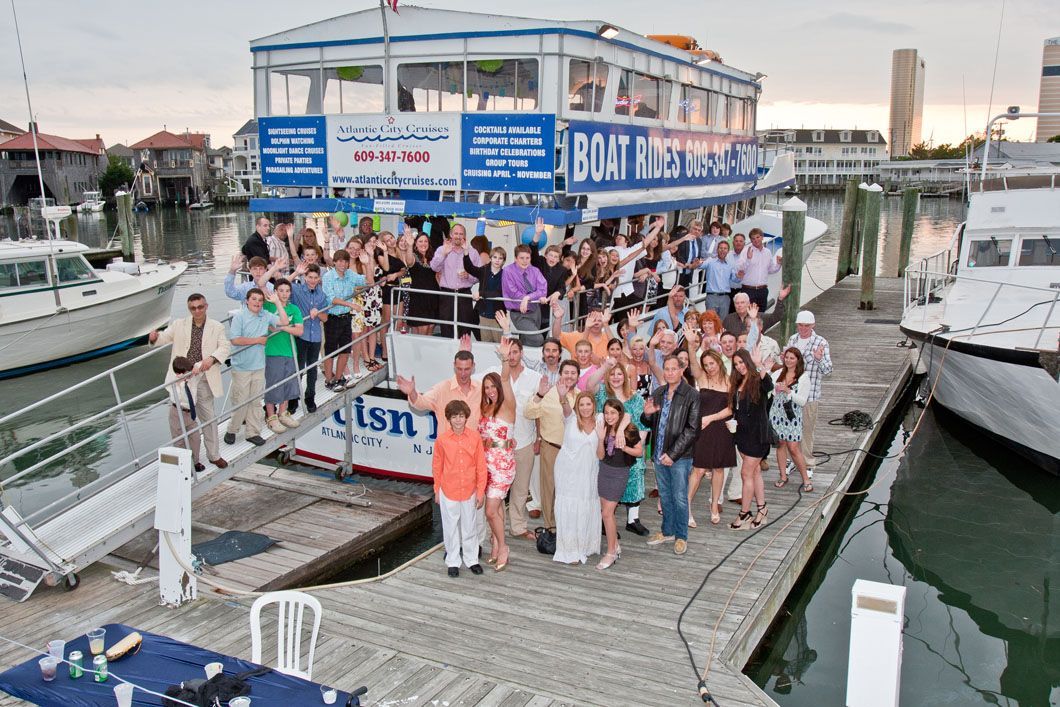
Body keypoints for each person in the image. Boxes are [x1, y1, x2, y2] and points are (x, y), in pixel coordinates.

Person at [149, 293, 231, 470]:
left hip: (202, 377)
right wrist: (154, 338)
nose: (197, 310)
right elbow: (164, 338)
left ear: (206, 306)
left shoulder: (216, 327)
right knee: (180, 422)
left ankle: (214, 455)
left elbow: (225, 347)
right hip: (181, 379)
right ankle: (188, 460)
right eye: (193, 308)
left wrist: (212, 358)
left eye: (200, 307)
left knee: (208, 418)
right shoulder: (179, 324)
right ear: (189, 309)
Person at [584, 358, 651, 536]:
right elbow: (589, 384)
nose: (616, 377)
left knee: (636, 475)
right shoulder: (602, 394)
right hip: (607, 448)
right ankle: (607, 519)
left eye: (619, 374)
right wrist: (605, 365)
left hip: (631, 445)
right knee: (607, 482)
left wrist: (640, 446)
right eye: (612, 374)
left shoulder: (635, 398)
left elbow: (643, 423)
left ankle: (632, 519)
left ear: (625, 377)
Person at [641, 355, 700, 555]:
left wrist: (673, 454)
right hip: (658, 454)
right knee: (665, 496)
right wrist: (647, 414)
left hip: (680, 457)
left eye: (674, 369)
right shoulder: (658, 392)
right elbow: (650, 424)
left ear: (681, 370)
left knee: (680, 497)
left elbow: (692, 429)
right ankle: (667, 531)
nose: (669, 373)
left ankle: (681, 536)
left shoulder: (691, 395)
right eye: (666, 369)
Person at [486, 338, 544, 540]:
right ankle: (497, 527)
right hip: (499, 446)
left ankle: (518, 527)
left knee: (521, 488)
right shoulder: (496, 374)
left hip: (526, 440)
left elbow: (538, 411)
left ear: (521, 353)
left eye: (515, 352)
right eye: (508, 353)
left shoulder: (535, 377)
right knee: (498, 490)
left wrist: (539, 438)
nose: (511, 357)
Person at [224, 288, 289, 447]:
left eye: (260, 300)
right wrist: (257, 340)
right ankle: (232, 429)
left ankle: (252, 432)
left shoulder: (265, 315)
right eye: (254, 299)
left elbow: (285, 322)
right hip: (242, 367)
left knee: (255, 401)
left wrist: (277, 303)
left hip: (259, 365)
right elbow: (235, 340)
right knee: (241, 401)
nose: (257, 303)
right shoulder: (239, 317)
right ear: (247, 301)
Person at [684, 333, 736, 526]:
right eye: (706, 364)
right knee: (698, 469)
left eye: (711, 364)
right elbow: (693, 364)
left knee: (719, 469)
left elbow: (731, 408)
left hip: (720, 428)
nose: (709, 367)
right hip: (703, 430)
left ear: (719, 361)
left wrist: (710, 418)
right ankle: (686, 506)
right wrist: (691, 344)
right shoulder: (702, 378)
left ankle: (714, 504)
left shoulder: (730, 381)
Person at [431, 400, 487, 577]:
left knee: (470, 526)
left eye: (461, 416)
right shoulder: (442, 440)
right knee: (450, 527)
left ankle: (472, 560)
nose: (458, 420)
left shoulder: (475, 437)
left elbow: (481, 465)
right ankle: (453, 561)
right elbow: (437, 466)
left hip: (469, 489)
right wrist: (437, 490)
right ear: (449, 419)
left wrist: (480, 491)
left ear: (466, 417)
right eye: (454, 416)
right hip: (449, 490)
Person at [525, 359, 581, 534]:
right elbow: (529, 412)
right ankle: (550, 527)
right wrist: (539, 395)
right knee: (549, 488)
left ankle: (568, 524)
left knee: (571, 489)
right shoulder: (547, 393)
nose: (569, 376)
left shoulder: (582, 397)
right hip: (551, 447)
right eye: (566, 372)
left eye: (573, 373)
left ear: (578, 376)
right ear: (560, 374)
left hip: (573, 451)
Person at [478, 339, 518, 571]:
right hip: (486, 464)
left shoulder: (507, 405)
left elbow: (504, 378)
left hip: (502, 464)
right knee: (498, 507)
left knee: (490, 509)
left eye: (493, 387)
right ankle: (494, 542)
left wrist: (504, 358)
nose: (491, 390)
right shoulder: (484, 408)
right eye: (487, 388)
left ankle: (503, 546)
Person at [552, 389, 601, 565]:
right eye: (581, 404)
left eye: (589, 404)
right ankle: (570, 550)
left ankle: (586, 545)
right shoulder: (571, 419)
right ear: (577, 406)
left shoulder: (601, 421)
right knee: (570, 506)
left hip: (589, 472)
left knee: (587, 505)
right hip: (568, 472)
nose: (585, 408)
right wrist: (562, 396)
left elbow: (623, 416)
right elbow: (565, 407)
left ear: (594, 405)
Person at [729, 348, 774, 530]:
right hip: (742, 435)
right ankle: (762, 509)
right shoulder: (738, 382)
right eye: (736, 364)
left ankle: (745, 513)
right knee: (755, 473)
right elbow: (737, 409)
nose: (739, 367)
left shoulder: (756, 379)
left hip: (758, 436)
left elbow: (768, 386)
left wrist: (759, 366)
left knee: (745, 473)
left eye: (741, 362)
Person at [595, 398, 643, 570]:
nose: (609, 416)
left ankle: (611, 552)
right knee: (606, 512)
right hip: (604, 470)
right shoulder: (604, 429)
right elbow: (600, 456)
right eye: (606, 412)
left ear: (619, 413)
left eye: (613, 413)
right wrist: (601, 440)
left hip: (620, 473)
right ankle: (614, 544)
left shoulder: (629, 429)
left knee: (607, 513)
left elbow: (639, 451)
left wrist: (624, 448)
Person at [396, 344, 483, 434]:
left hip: (474, 446)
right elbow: (421, 403)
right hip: (448, 447)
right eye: (459, 369)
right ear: (454, 366)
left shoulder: (481, 388)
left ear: (473, 366)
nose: (463, 374)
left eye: (467, 369)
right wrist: (412, 392)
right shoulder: (441, 388)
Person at [786, 310, 832, 477]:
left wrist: (819, 359)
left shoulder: (821, 342)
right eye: (800, 325)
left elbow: (828, 370)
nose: (803, 328)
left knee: (806, 430)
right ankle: (793, 460)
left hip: (810, 396)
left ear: (813, 325)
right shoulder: (792, 339)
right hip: (791, 393)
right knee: (791, 429)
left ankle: (808, 463)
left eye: (806, 325)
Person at [262, 278, 305, 434]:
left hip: (290, 350)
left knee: (288, 382)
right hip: (273, 351)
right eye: (281, 291)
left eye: (287, 291)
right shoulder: (267, 306)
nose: (284, 294)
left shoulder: (294, 309)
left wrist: (284, 328)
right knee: (274, 383)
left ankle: (283, 412)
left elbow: (299, 331)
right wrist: (287, 327)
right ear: (275, 292)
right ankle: (271, 416)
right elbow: (271, 327)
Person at [771, 347, 813, 492]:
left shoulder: (803, 377)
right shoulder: (777, 373)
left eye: (792, 358)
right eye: (786, 357)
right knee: (780, 443)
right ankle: (783, 476)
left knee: (794, 447)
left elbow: (802, 401)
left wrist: (789, 391)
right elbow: (768, 388)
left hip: (792, 415)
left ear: (798, 360)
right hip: (777, 413)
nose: (788, 360)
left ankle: (806, 479)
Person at [321, 249, 364, 390]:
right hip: (333, 318)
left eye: (345, 261)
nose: (343, 264)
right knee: (331, 350)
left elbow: (367, 281)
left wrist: (367, 264)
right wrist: (350, 304)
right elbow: (332, 299)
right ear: (334, 262)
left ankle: (339, 378)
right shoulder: (328, 277)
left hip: (346, 318)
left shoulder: (350, 274)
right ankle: (329, 380)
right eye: (339, 261)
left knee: (345, 350)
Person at [289, 262, 328, 414]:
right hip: (301, 335)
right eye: (310, 277)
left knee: (312, 368)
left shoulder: (322, 295)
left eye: (315, 277)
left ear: (319, 278)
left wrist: (318, 312)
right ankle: (293, 399)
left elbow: (325, 318)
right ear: (305, 277)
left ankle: (310, 396)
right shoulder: (297, 291)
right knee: (298, 369)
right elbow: (282, 284)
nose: (312, 280)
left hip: (316, 336)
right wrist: (295, 273)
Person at [431, 223, 480, 338]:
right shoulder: (442, 249)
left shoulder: (473, 252)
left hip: (464, 295)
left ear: (465, 237)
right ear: (451, 235)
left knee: (464, 329)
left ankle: (464, 354)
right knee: (446, 328)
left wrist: (469, 276)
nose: (458, 236)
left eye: (461, 234)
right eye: (456, 233)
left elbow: (479, 275)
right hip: (447, 295)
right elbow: (434, 267)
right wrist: (444, 254)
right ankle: (448, 355)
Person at [501, 244, 549, 346]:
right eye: (521, 258)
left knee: (527, 340)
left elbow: (543, 290)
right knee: (538, 339)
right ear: (515, 258)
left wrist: (528, 298)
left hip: (535, 311)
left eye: (527, 258)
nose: (525, 261)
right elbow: (512, 292)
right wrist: (529, 297)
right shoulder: (508, 271)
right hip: (519, 313)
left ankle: (522, 358)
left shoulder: (535, 271)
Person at [167, 356, 205, 470]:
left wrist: (195, 368)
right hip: (177, 413)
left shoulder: (192, 378)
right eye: (185, 374)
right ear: (179, 374)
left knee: (196, 438)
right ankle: (184, 466)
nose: (188, 376)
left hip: (190, 413)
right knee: (179, 441)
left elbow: (202, 367)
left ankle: (195, 461)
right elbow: (179, 398)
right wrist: (181, 384)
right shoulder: (173, 384)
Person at [375, 231, 407, 361]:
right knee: (386, 322)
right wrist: (386, 251)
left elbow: (404, 269)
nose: (391, 241)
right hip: (388, 290)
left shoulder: (399, 251)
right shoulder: (382, 255)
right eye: (387, 240)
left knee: (398, 321)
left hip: (398, 288)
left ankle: (395, 348)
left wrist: (396, 275)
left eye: (392, 238)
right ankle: (384, 350)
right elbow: (387, 268)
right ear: (383, 243)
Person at [735, 228, 782, 311]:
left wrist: (778, 264)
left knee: (761, 318)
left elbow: (771, 269)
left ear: (762, 237)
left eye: (757, 237)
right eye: (753, 238)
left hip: (762, 290)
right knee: (748, 318)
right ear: (751, 240)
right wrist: (748, 259)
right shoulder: (746, 250)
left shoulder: (767, 252)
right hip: (748, 290)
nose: (756, 240)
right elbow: (740, 269)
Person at [469, 246, 506, 343]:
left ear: (503, 261)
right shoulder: (484, 270)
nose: (497, 260)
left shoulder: (506, 274)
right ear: (490, 258)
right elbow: (470, 268)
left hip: (497, 316)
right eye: (495, 257)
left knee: (499, 344)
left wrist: (481, 293)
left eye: (500, 258)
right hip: (484, 314)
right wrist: (465, 253)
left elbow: (499, 293)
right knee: (485, 343)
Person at [405, 233, 439, 335]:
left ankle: (427, 352)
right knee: (422, 329)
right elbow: (409, 261)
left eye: (425, 241)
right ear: (416, 244)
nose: (423, 243)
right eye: (420, 241)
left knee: (430, 327)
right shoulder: (414, 256)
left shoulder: (433, 258)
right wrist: (409, 245)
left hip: (432, 298)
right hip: (419, 298)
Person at [699, 240, 740, 318]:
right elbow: (700, 265)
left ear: (728, 251)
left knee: (723, 324)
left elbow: (735, 279)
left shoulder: (730, 265)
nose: (723, 250)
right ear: (717, 249)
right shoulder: (710, 261)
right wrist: (697, 263)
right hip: (711, 297)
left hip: (725, 298)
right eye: (721, 248)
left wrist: (739, 276)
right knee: (710, 321)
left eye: (725, 248)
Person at [722, 288, 789, 336]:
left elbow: (776, 317)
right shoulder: (728, 319)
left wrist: (780, 299)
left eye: (742, 302)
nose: (739, 305)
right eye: (737, 303)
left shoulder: (759, 317)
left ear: (748, 304)